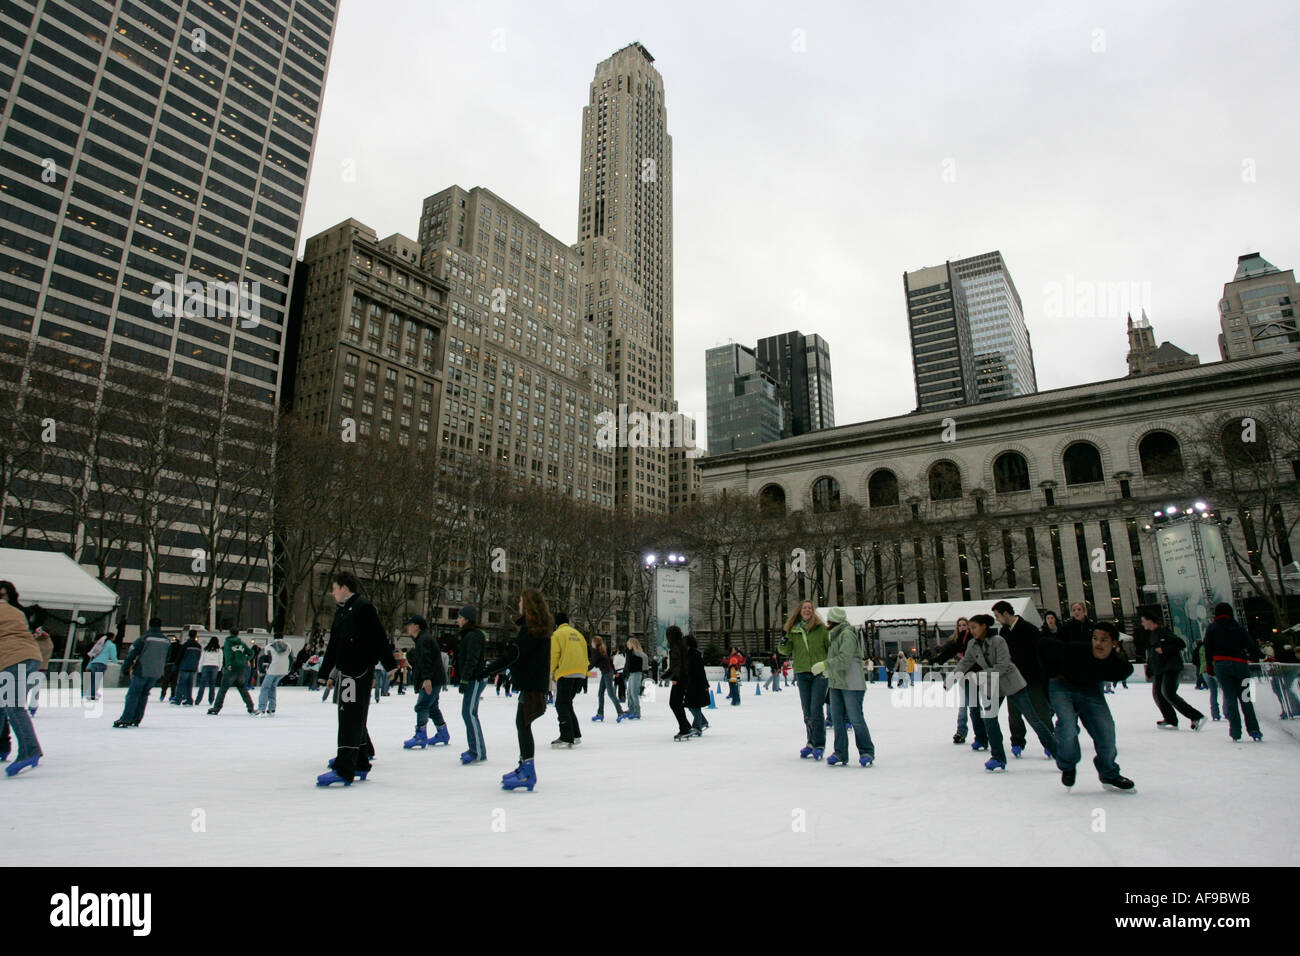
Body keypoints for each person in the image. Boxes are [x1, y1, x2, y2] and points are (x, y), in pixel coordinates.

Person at [949, 615, 1057, 772]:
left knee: (1033, 718)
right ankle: (998, 757)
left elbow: (1002, 666)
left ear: (984, 626)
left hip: (1011, 683)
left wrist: (979, 675)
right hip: (992, 686)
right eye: (970, 628)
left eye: (974, 627)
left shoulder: (998, 641)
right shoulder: (972, 644)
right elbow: (965, 662)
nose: (971, 631)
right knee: (990, 719)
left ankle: (1057, 751)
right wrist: (953, 676)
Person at [317, 572, 395, 786]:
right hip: (346, 670)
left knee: (350, 716)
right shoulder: (343, 611)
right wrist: (324, 673)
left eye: (334, 588)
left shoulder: (363, 607)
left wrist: (390, 665)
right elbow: (334, 644)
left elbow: (378, 636)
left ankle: (345, 767)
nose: (332, 593)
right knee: (352, 716)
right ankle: (359, 761)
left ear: (344, 587)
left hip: (357, 671)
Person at [1039, 620, 1136, 792]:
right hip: (1062, 685)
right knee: (1067, 725)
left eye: (1103, 640)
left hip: (1090, 690)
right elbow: (1043, 644)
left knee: (1106, 730)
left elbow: (1126, 670)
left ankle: (1108, 772)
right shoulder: (1075, 649)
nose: (1098, 643)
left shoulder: (1116, 663)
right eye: (1095, 638)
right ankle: (1068, 765)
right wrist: (1051, 673)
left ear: (1114, 643)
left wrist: (1117, 657)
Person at [492, 590, 552, 791]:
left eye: (520, 601)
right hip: (531, 684)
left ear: (528, 605)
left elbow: (516, 655)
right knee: (522, 724)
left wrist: (488, 669)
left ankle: (528, 772)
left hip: (532, 685)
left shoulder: (531, 630)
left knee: (523, 724)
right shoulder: (535, 628)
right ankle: (524, 767)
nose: (518, 604)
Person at [992, 601, 1056, 758]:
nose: (997, 619)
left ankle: (1050, 742)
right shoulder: (1004, 632)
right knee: (1014, 714)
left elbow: (1040, 653)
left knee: (1041, 713)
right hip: (1012, 681)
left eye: (998, 616)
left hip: (1032, 679)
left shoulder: (1030, 629)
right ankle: (1017, 742)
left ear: (1006, 613)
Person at [1203, 603, 1262, 742]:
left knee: (1230, 699)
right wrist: (1259, 657)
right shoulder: (1239, 627)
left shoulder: (1212, 628)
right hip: (1241, 665)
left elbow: (1208, 648)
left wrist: (1209, 665)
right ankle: (1254, 730)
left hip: (1222, 665)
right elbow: (1251, 646)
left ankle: (1235, 732)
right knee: (1246, 698)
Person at [824, 608, 875, 767]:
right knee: (837, 720)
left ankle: (866, 751)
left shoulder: (847, 634)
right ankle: (840, 752)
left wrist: (825, 665)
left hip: (852, 684)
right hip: (836, 683)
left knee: (855, 719)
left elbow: (844, 659)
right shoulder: (835, 635)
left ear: (833, 621)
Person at [780, 600, 830, 760]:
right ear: (799, 611)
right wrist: (783, 642)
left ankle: (819, 744)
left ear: (813, 611)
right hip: (802, 672)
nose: (807, 610)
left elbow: (830, 647)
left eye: (809, 608)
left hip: (819, 672)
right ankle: (811, 742)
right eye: (804, 608)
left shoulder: (821, 629)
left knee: (816, 709)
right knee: (807, 710)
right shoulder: (793, 630)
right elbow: (785, 650)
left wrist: (829, 666)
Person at [0, 588, 43, 774]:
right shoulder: (15, 611)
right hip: (31, 655)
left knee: (13, 705)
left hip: (13, 658)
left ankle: (29, 750)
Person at [1140, 610, 1205, 731]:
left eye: (1143, 621)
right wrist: (1150, 669)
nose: (1142, 624)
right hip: (1159, 668)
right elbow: (1152, 653)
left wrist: (1164, 648)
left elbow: (1180, 643)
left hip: (1170, 667)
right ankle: (1170, 719)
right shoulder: (1152, 634)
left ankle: (1196, 716)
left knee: (1168, 693)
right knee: (1158, 695)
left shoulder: (1163, 631)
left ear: (1150, 621)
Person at [933, 617, 987, 749]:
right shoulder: (958, 640)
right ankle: (964, 731)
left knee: (973, 705)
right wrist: (939, 654)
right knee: (966, 704)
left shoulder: (971, 640)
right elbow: (949, 648)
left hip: (975, 674)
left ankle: (981, 733)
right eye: (960, 625)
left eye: (964, 625)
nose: (962, 627)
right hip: (963, 674)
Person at [402, 615, 450, 749]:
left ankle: (421, 736)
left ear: (417, 626)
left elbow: (426, 660)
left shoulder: (423, 640)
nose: (408, 627)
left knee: (422, 706)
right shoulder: (423, 639)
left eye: (410, 624)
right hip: (435, 678)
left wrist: (427, 679)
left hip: (431, 679)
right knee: (433, 708)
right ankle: (443, 733)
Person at [114, 617, 171, 728]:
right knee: (144, 694)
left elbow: (132, 653)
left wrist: (125, 668)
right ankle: (137, 718)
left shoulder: (144, 638)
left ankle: (126, 718)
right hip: (156, 672)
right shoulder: (166, 641)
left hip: (142, 670)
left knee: (133, 694)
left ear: (150, 625)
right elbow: (167, 658)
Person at [455, 604, 489, 764]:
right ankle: (475, 748)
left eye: (460, 617)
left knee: (469, 713)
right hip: (473, 678)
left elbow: (472, 659)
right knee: (470, 713)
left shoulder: (473, 636)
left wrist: (465, 679)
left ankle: (478, 751)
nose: (457, 620)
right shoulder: (469, 635)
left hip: (475, 678)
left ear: (467, 619)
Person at [549, 611, 589, 747]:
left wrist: (551, 672)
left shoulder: (558, 634)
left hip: (566, 671)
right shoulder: (578, 634)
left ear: (556, 623)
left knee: (561, 704)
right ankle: (575, 734)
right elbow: (585, 652)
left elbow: (554, 654)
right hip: (580, 672)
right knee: (567, 703)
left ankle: (566, 737)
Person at [208, 629, 256, 716]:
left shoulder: (228, 643)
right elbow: (251, 652)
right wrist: (247, 660)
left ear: (230, 633)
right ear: (238, 634)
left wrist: (228, 664)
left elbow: (227, 653)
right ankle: (251, 707)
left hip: (231, 669)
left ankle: (216, 708)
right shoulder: (242, 643)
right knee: (243, 689)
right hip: (241, 669)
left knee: (223, 689)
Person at [589, 635, 625, 722]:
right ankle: (600, 714)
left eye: (592, 642)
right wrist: (615, 671)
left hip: (607, 673)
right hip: (606, 673)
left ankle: (620, 712)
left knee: (611, 694)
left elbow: (593, 663)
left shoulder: (598, 651)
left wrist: (583, 670)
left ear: (595, 643)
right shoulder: (602, 650)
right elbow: (609, 661)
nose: (591, 644)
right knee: (600, 693)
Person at [666, 626, 693, 741]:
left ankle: (684, 728)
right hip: (683, 677)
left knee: (674, 703)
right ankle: (686, 725)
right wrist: (667, 674)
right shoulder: (681, 644)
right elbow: (676, 664)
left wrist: (675, 677)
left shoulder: (675, 646)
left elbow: (677, 663)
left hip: (680, 678)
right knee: (676, 703)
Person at [256, 634, 292, 715]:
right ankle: (272, 708)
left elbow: (260, 657)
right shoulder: (288, 646)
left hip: (273, 670)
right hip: (283, 670)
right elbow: (291, 658)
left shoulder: (269, 646)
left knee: (265, 688)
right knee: (272, 687)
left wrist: (261, 670)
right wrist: (289, 669)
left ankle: (261, 708)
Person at [685, 634, 711, 735]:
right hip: (691, 683)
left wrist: (705, 685)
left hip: (696, 684)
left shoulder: (695, 654)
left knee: (694, 705)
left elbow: (700, 671)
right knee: (691, 705)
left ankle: (697, 727)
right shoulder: (689, 654)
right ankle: (703, 721)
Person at [1189, 637, 1220, 720]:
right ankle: (1227, 713)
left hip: (1204, 670)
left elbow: (1197, 659)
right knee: (1225, 691)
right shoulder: (1213, 647)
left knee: (1213, 693)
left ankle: (1215, 714)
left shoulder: (1200, 649)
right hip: (1213, 669)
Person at [83, 631, 117, 701]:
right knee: (97, 680)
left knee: (93, 680)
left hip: (94, 663)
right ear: (111, 638)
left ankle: (89, 693)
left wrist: (88, 666)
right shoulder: (111, 645)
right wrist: (115, 662)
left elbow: (94, 655)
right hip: (101, 664)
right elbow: (113, 656)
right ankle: (92, 695)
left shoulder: (100, 644)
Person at [173, 630, 202, 706]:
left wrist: (176, 664)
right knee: (189, 684)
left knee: (181, 684)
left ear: (189, 635)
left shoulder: (186, 645)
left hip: (185, 666)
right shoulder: (198, 646)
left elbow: (180, 655)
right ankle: (189, 700)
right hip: (193, 667)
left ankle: (178, 699)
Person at [623, 637, 647, 719]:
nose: (627, 645)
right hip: (631, 674)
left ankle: (637, 712)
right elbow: (628, 663)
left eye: (628, 644)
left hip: (636, 674)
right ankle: (631, 710)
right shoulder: (630, 652)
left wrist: (644, 669)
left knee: (634, 693)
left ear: (632, 644)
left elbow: (645, 657)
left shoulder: (637, 652)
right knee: (629, 693)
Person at [196, 636, 222, 706]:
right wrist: (219, 668)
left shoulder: (206, 649)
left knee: (202, 684)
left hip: (205, 666)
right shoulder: (219, 650)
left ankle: (198, 700)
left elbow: (201, 659)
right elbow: (220, 660)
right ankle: (211, 700)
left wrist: (199, 669)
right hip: (215, 667)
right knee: (212, 684)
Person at [157, 635, 182, 702]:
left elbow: (165, 655)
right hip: (176, 665)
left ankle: (162, 695)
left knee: (166, 681)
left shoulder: (168, 646)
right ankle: (172, 695)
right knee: (174, 682)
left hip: (168, 665)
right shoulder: (180, 647)